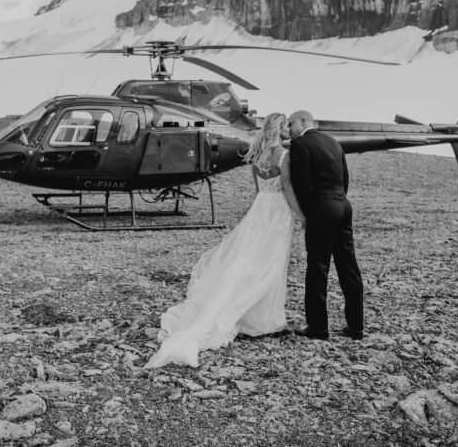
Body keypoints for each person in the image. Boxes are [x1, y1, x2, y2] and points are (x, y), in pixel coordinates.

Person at [143, 112, 305, 369]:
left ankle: (254, 316)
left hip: (260, 209)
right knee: (272, 264)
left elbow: (257, 191)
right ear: (280, 129)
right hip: (278, 212)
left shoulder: (258, 156)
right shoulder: (284, 155)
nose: (288, 129)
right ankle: (266, 320)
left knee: (250, 260)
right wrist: (300, 215)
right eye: (285, 126)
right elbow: (287, 187)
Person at [287, 110, 363, 341]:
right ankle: (356, 326)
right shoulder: (333, 142)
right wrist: (337, 199)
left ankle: (318, 328)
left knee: (318, 267)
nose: (288, 128)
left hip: (321, 209)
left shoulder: (300, 145)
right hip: (342, 205)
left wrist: (309, 215)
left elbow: (302, 186)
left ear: (303, 121)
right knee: (348, 265)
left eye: (291, 123)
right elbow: (345, 179)